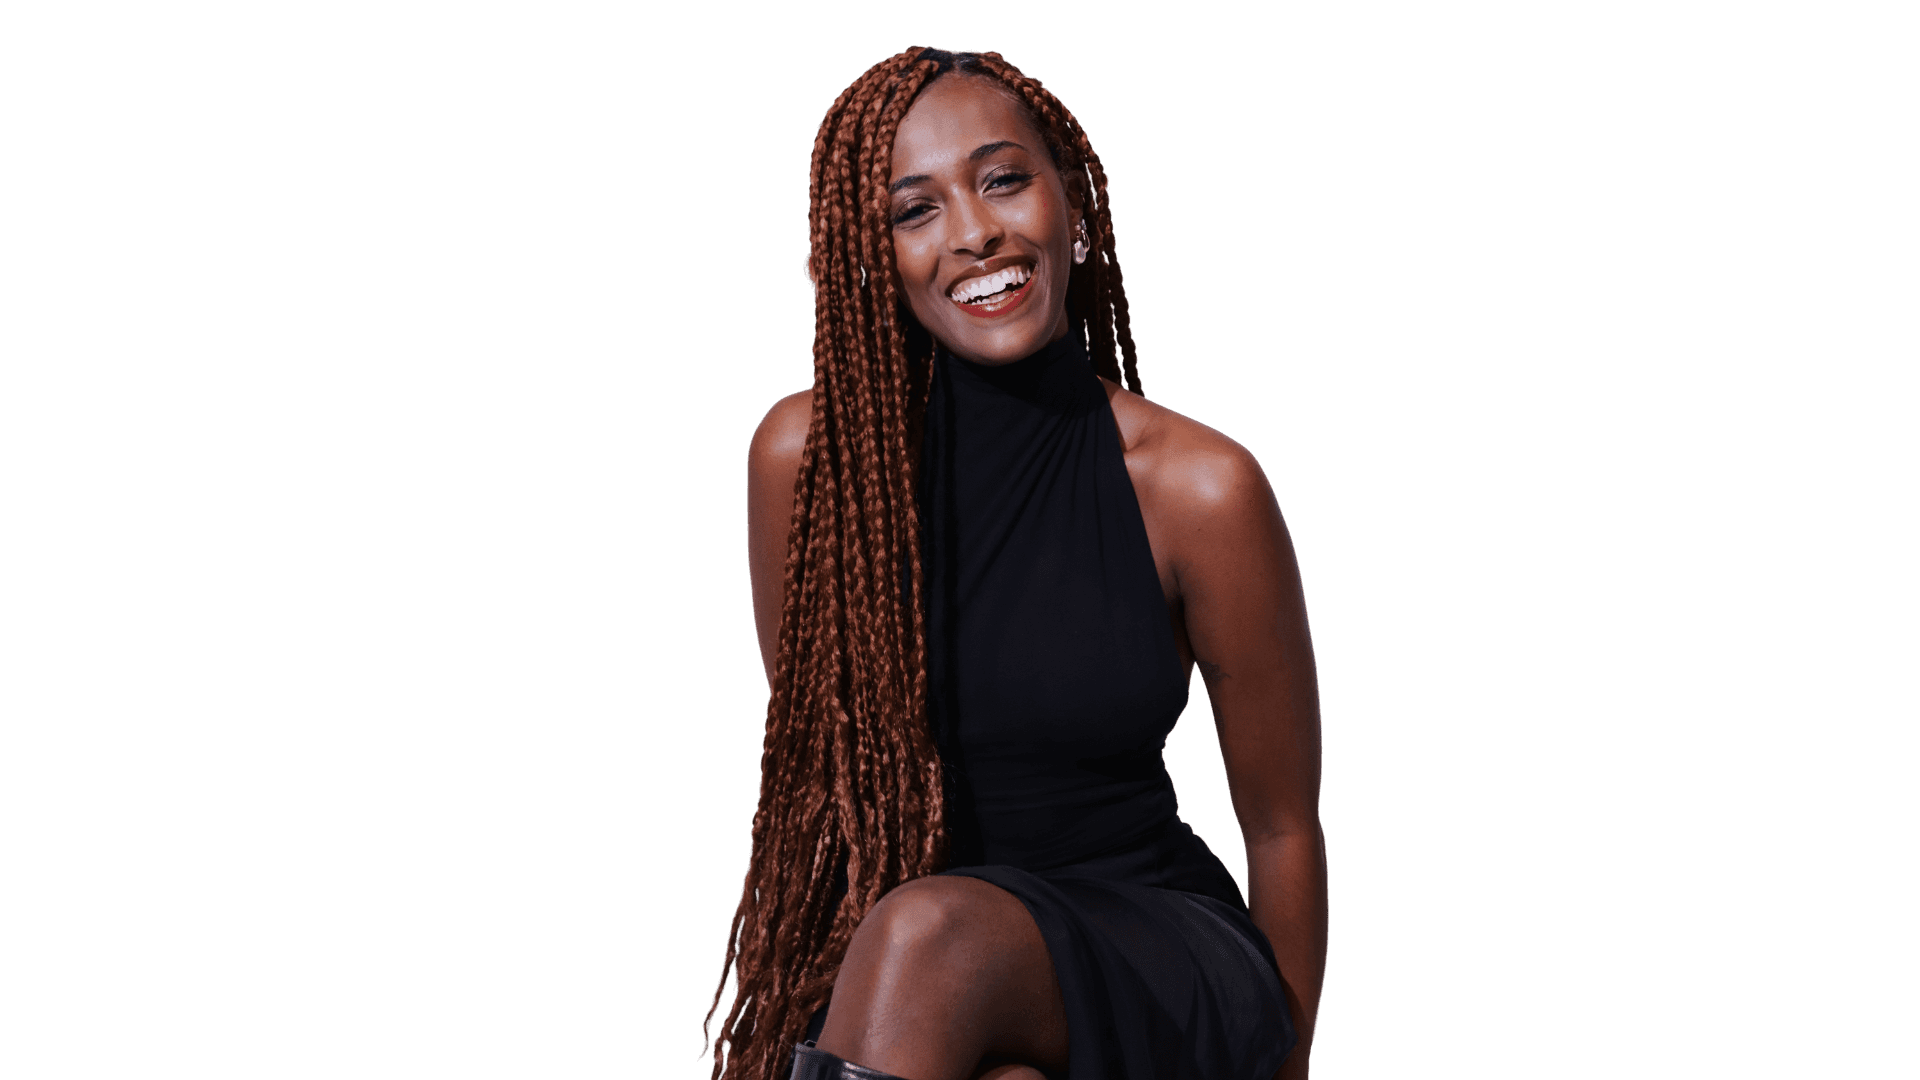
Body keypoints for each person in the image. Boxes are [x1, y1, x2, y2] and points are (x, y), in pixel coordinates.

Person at [704, 47, 1327, 1080]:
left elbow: (1282, 828)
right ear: (864, 259)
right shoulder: (808, 464)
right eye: (915, 210)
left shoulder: (1201, 488)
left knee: (925, 935)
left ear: (1070, 204)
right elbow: (832, 786)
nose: (974, 230)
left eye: (1002, 179)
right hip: (930, 967)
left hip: (1155, 945)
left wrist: (1290, 1071)